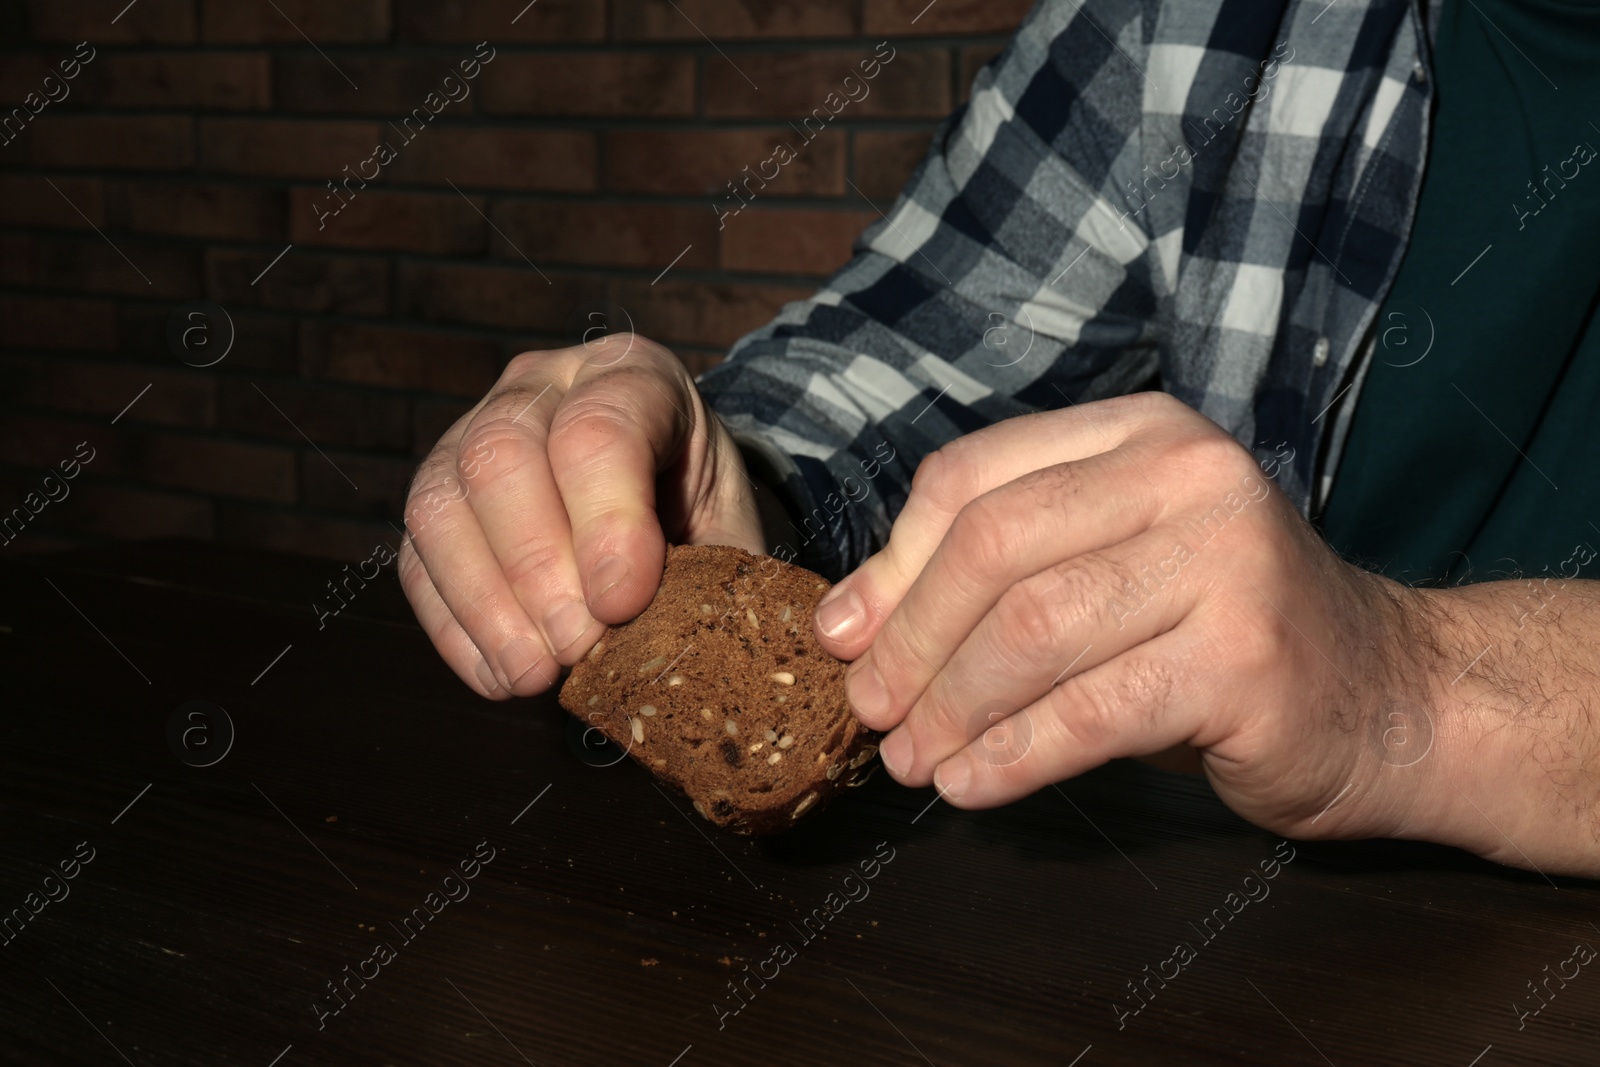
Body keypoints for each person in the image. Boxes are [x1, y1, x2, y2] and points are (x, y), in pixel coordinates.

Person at [398, 0, 1600, 877]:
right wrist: (710, 479)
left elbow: (1391, 679)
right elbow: (913, 344)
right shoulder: (1210, 24)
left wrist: (1412, 684)